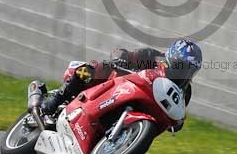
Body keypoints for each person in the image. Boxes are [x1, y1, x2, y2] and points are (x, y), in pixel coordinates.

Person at [40, 39, 203, 128]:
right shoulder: (152, 57)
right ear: (170, 59)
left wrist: (176, 124)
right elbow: (120, 52)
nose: (184, 72)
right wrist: (121, 59)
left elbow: (179, 117)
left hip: (139, 106)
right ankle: (56, 100)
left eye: (189, 69)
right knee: (91, 69)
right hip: (115, 83)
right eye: (181, 65)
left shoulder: (184, 92)